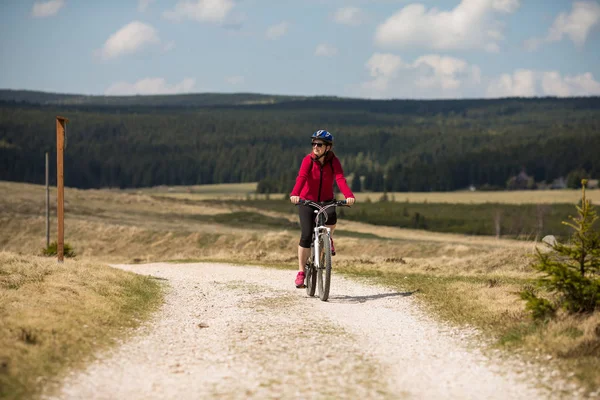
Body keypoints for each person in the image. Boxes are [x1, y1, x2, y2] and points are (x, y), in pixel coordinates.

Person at [289, 130, 356, 288]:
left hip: (326, 201)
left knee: (331, 217)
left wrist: (349, 196)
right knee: (306, 236)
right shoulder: (308, 160)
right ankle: (301, 272)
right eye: (313, 143)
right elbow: (302, 177)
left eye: (319, 144)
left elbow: (340, 178)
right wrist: (295, 194)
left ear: (328, 147)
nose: (315, 147)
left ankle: (328, 238)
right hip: (307, 201)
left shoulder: (334, 161)